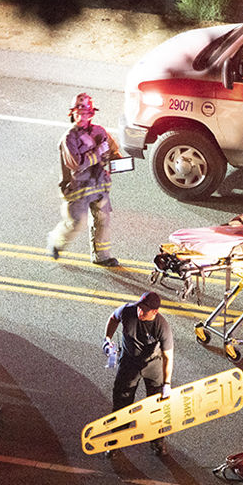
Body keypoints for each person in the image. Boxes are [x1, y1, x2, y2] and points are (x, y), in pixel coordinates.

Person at [47, 92, 122, 267]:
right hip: (78, 187)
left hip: (98, 185)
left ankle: (101, 256)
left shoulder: (99, 131)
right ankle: (56, 242)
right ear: (72, 113)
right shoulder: (69, 138)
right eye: (78, 113)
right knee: (75, 223)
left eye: (85, 113)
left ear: (91, 114)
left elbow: (112, 149)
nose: (82, 116)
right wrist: (98, 152)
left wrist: (117, 159)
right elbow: (77, 164)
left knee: (102, 220)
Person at [103, 291, 174, 456]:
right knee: (121, 403)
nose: (140, 312)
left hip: (152, 365)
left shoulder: (162, 326)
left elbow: (168, 357)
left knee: (156, 407)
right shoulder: (128, 310)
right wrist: (107, 338)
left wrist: (167, 384)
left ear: (155, 312)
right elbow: (113, 318)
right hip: (129, 363)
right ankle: (115, 442)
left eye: (145, 310)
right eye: (139, 307)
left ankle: (157, 441)